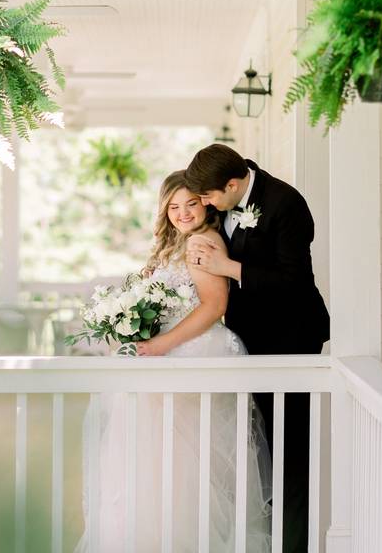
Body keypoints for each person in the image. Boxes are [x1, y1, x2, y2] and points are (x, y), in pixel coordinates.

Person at [75, 170, 271, 553]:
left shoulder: (204, 241)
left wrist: (162, 343)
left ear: (205, 203)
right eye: (174, 206)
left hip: (194, 348)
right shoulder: (176, 243)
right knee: (151, 452)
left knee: (181, 456)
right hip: (170, 346)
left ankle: (176, 538)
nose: (182, 213)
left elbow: (215, 305)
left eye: (191, 204)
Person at [184, 144, 330, 553]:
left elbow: (295, 282)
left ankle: (293, 544)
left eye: (209, 197)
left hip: (290, 339)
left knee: (290, 450)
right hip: (246, 340)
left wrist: (227, 269)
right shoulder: (222, 201)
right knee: (257, 444)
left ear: (232, 184)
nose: (205, 204)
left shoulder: (285, 203)